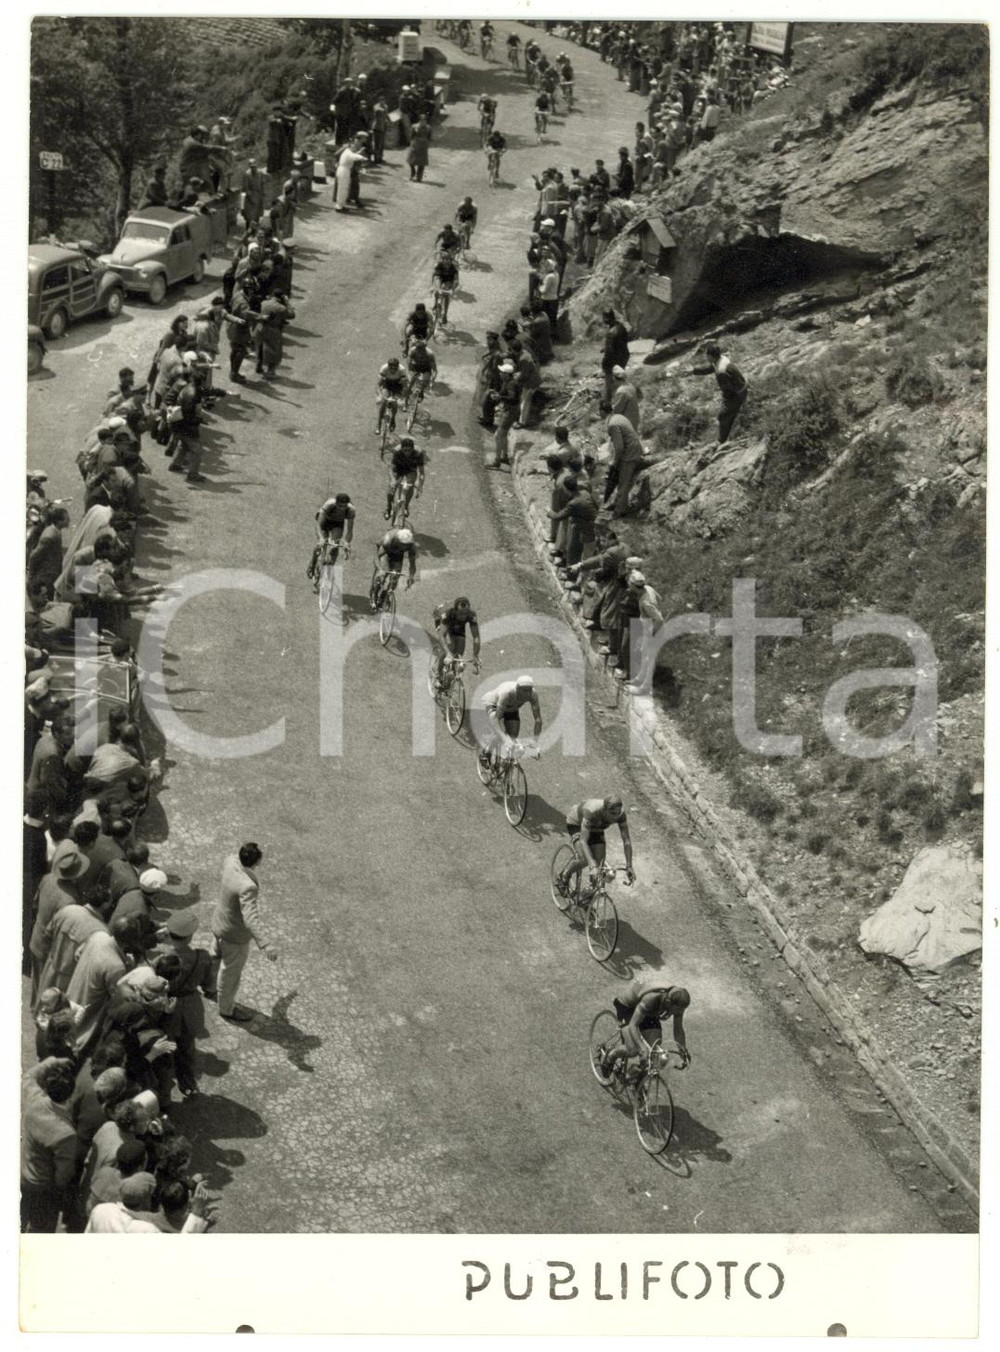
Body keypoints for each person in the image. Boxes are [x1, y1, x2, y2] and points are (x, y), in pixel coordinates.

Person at [210, 843, 278, 1024]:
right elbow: (250, 919)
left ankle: (208, 987)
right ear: (257, 861)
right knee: (230, 974)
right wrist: (265, 944)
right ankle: (226, 1009)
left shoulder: (231, 861)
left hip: (219, 924)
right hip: (234, 936)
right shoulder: (248, 886)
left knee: (214, 957)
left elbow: (233, 857)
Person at [21, 1057, 78, 1231]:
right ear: (70, 1094)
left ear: (46, 1087)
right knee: (42, 1228)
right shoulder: (66, 1133)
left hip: (23, 1172)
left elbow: (29, 1076)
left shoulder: (33, 1098)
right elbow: (63, 1174)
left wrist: (53, 1061)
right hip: (43, 1187)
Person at [601, 981, 691, 1079]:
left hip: (649, 1011)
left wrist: (683, 1051)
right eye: (677, 1010)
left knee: (655, 1050)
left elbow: (678, 1029)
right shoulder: (651, 998)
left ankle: (637, 1078)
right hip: (628, 1007)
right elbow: (633, 1026)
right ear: (668, 1003)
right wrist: (642, 1048)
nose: (679, 1013)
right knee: (633, 1049)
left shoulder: (677, 1004)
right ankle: (611, 1056)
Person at [555, 797, 635, 895]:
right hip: (577, 824)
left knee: (600, 866)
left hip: (596, 827)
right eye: (612, 813)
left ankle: (588, 894)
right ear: (604, 810)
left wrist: (629, 865)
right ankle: (565, 875)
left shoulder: (621, 815)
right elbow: (583, 841)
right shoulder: (592, 811)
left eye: (617, 813)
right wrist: (592, 865)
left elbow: (626, 841)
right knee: (585, 859)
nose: (615, 817)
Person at [479, 675, 542, 770]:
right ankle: (486, 753)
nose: (528, 694)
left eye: (529, 690)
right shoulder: (507, 693)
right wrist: (506, 740)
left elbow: (538, 719)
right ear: (518, 688)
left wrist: (535, 741)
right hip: (494, 704)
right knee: (501, 735)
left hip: (511, 708)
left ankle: (506, 763)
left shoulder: (533, 695)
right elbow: (496, 719)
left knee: (513, 737)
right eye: (525, 691)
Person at [700, 342, 748, 448]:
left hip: (737, 394)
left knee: (722, 416)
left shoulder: (722, 370)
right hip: (740, 389)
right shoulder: (720, 359)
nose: (706, 357)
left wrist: (726, 401)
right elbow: (709, 369)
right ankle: (726, 436)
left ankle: (721, 440)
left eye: (707, 355)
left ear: (711, 356)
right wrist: (694, 371)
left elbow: (728, 389)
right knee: (729, 415)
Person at [432, 597, 481, 689]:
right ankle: (437, 674)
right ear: (455, 610)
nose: (464, 616)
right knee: (450, 648)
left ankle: (449, 677)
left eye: (466, 613)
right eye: (461, 613)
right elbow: (442, 636)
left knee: (459, 653)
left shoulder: (471, 615)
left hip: (457, 624)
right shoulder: (448, 613)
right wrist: (448, 654)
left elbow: (476, 637)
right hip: (441, 618)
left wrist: (475, 655)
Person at [307, 493, 355, 587]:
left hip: (337, 524)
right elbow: (318, 525)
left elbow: (350, 531)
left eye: (344, 506)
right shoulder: (329, 504)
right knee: (320, 544)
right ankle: (313, 562)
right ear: (336, 503)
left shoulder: (351, 510)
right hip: (325, 521)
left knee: (335, 544)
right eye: (340, 506)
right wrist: (321, 538)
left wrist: (347, 542)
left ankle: (329, 568)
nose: (342, 509)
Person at [605, 412, 646, 518]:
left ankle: (620, 510)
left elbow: (619, 448)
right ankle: (616, 502)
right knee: (618, 478)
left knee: (623, 482)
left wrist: (614, 461)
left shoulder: (612, 425)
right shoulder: (619, 417)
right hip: (636, 450)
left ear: (602, 412)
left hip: (630, 455)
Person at [370, 527, 417, 610]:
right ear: (398, 540)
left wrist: (411, 576)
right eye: (403, 544)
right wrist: (380, 569)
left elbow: (412, 563)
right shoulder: (388, 539)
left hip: (397, 556)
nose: (405, 547)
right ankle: (374, 594)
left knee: (395, 577)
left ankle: (385, 594)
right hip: (384, 552)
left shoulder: (411, 546)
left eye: (407, 545)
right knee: (384, 572)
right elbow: (376, 556)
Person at [385, 437, 426, 522]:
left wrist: (420, 486)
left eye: (409, 450)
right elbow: (391, 469)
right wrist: (392, 480)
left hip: (411, 469)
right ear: (402, 448)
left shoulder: (418, 453)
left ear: (413, 449)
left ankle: (406, 505)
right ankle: (388, 508)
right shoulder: (397, 451)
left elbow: (421, 472)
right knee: (391, 489)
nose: (407, 452)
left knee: (410, 486)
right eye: (405, 450)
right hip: (398, 468)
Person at [600, 310, 631, 408]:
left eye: (604, 318)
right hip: (623, 357)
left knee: (608, 384)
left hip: (613, 360)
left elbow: (610, 351)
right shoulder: (621, 327)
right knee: (619, 380)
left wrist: (605, 364)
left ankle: (607, 407)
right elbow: (621, 343)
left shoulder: (611, 332)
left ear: (606, 318)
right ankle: (623, 401)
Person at [375, 356, 408, 436]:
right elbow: (378, 385)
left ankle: (393, 418)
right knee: (383, 401)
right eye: (391, 368)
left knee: (395, 403)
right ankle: (378, 424)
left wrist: (401, 399)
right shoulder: (384, 368)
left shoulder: (402, 370)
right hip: (387, 384)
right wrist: (379, 395)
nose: (393, 370)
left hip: (397, 385)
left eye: (395, 368)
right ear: (388, 367)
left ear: (398, 367)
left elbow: (405, 387)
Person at [431, 250, 459, 325]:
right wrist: (432, 286)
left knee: (446, 296)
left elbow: (456, 281)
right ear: (442, 260)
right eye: (444, 259)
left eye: (448, 259)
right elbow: (435, 276)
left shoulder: (453, 268)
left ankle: (445, 314)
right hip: (440, 278)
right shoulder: (439, 265)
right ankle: (436, 303)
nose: (446, 261)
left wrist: (452, 290)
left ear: (450, 260)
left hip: (449, 281)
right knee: (437, 288)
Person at [609, 365, 641, 431]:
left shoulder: (621, 391)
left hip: (627, 423)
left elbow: (617, 410)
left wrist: (611, 407)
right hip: (635, 420)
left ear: (614, 378)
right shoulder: (630, 386)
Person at [406, 339, 438, 404]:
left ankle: (421, 392)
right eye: (418, 348)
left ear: (425, 348)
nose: (419, 351)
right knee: (410, 381)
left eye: (421, 349)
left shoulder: (430, 354)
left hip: (426, 368)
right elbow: (409, 361)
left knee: (425, 380)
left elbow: (434, 369)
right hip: (415, 366)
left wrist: (432, 378)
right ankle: (407, 394)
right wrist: (409, 371)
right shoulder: (412, 350)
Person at [241, 158, 266, 229]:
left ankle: (256, 231)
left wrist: (262, 193)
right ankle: (248, 230)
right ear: (250, 167)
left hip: (258, 194)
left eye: (255, 166)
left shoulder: (260, 173)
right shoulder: (247, 174)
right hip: (250, 196)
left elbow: (262, 183)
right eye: (252, 167)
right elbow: (246, 187)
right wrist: (251, 197)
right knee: (249, 216)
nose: (254, 168)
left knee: (257, 215)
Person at [407, 116, 432, 182]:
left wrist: (426, 142)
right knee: (411, 160)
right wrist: (412, 143)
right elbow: (411, 136)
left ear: (426, 121)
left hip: (423, 146)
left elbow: (429, 137)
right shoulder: (414, 126)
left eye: (424, 121)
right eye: (422, 121)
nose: (423, 122)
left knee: (422, 162)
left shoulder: (429, 128)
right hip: (415, 145)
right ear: (419, 121)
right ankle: (413, 172)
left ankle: (419, 176)